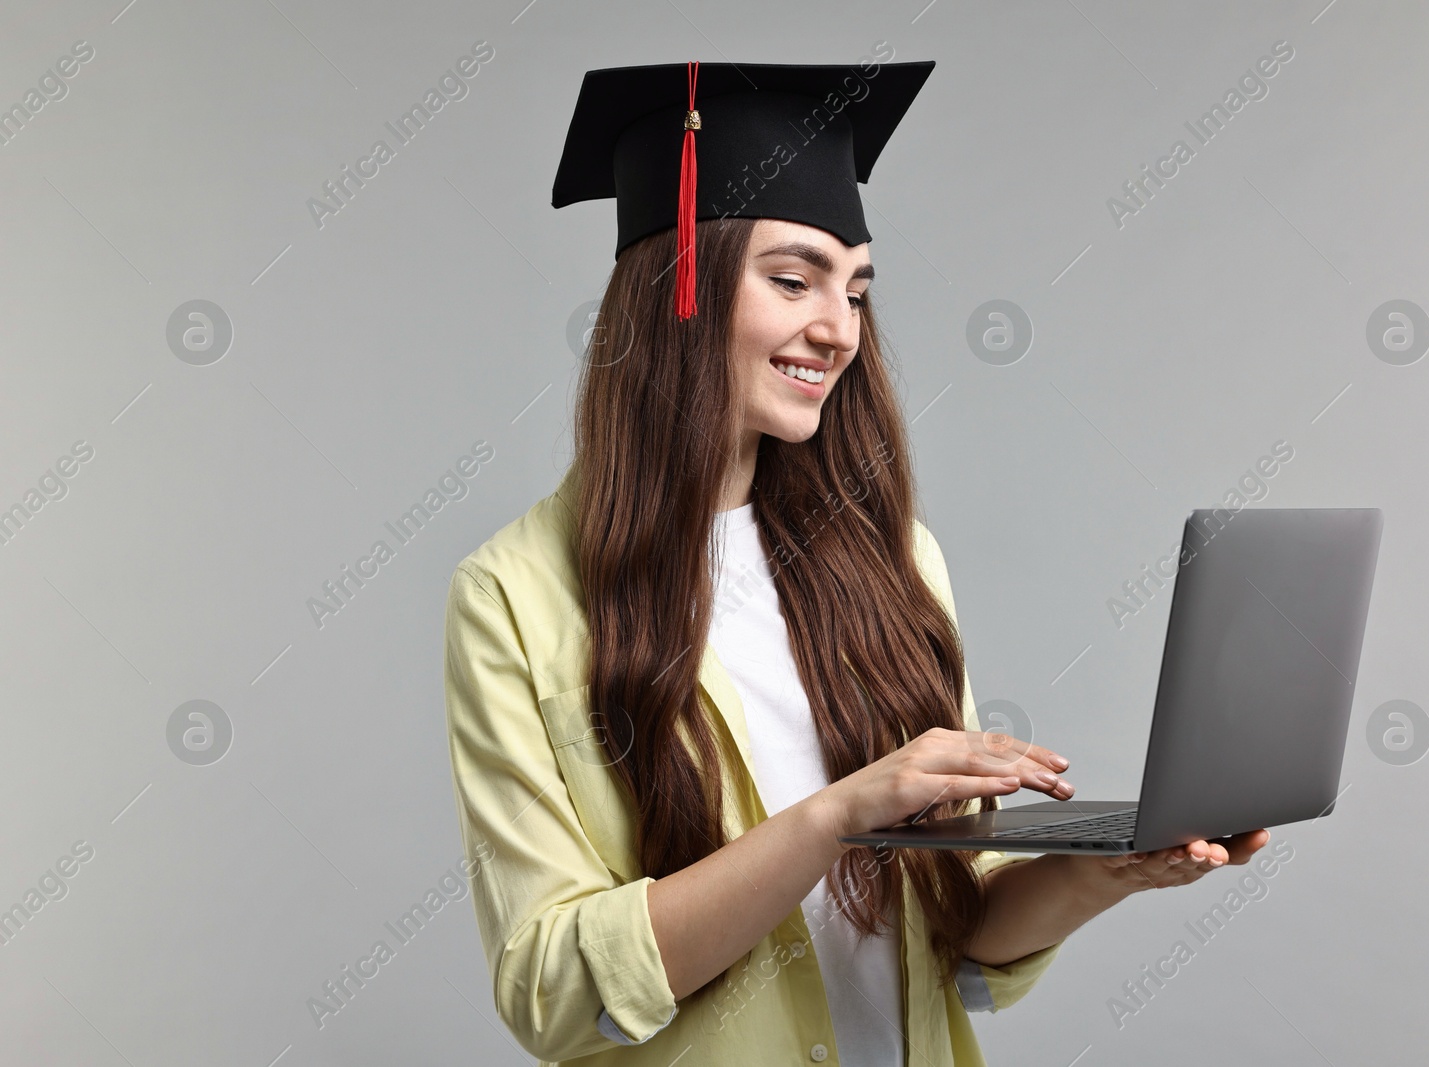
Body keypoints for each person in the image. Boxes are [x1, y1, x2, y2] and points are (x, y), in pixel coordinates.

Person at [443, 58, 1270, 1066]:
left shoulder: (894, 557)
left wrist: (1114, 869)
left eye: (857, 289)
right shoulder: (517, 596)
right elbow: (556, 988)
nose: (836, 328)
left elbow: (956, 938)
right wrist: (835, 816)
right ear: (679, 288)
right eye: (793, 279)